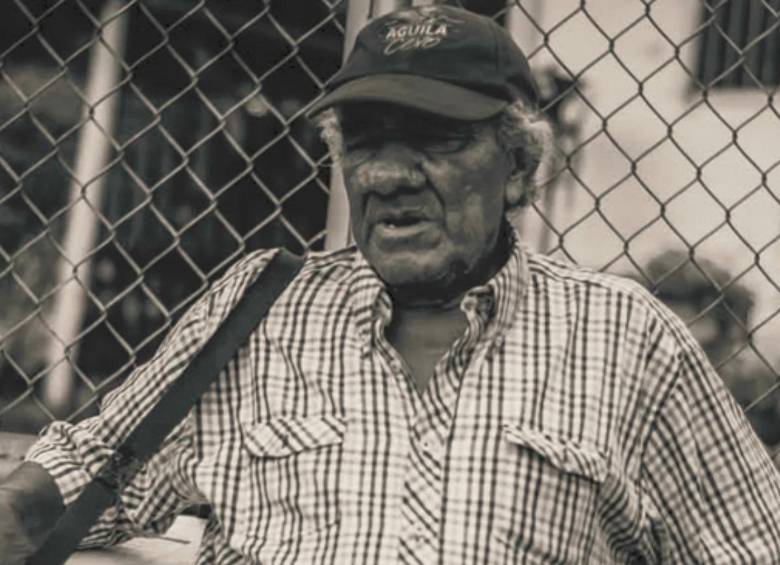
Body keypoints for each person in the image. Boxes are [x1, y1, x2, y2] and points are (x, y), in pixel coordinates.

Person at [2, 5, 779, 564]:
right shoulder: (260, 307)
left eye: (435, 140)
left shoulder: (629, 338)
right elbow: (72, 482)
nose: (388, 174)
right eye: (366, 140)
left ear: (517, 168)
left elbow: (745, 543)